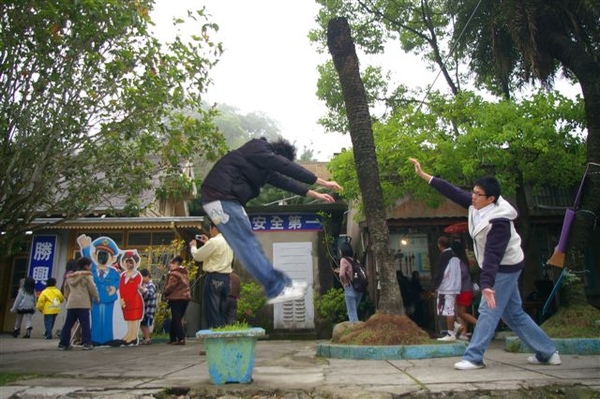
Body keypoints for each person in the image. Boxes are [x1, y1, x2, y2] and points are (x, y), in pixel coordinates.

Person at [409, 157, 561, 370]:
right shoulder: (476, 204)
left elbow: (493, 256)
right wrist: (423, 174)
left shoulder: (499, 221)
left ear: (490, 199)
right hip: (498, 266)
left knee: (488, 310)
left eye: (477, 194)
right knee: (513, 314)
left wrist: (487, 285)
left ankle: (474, 357)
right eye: (473, 192)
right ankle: (547, 351)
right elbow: (451, 191)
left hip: (505, 267)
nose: (472, 196)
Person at [200, 137, 342, 304]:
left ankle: (280, 286)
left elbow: (286, 182)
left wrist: (316, 194)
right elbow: (285, 166)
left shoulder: (262, 167)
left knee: (249, 243)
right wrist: (323, 181)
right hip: (220, 197)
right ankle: (277, 287)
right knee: (246, 243)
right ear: (277, 154)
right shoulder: (258, 148)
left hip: (225, 199)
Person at [190, 221, 234, 329]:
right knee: (223, 310)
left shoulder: (214, 242)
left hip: (214, 278)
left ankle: (215, 333)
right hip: (227, 279)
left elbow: (198, 256)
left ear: (214, 228)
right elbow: (217, 253)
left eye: (210, 229)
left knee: (212, 309)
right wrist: (207, 242)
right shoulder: (229, 242)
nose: (210, 232)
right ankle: (224, 332)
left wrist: (193, 247)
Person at [58, 257, 100, 350]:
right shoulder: (87, 276)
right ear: (86, 266)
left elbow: (66, 288)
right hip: (83, 303)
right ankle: (86, 343)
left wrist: (68, 297)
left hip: (71, 303)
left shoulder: (70, 276)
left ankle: (63, 343)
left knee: (68, 324)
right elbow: (92, 289)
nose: (90, 267)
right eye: (90, 265)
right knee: (85, 324)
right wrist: (97, 298)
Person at [431, 236, 462, 341]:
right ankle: (457, 325)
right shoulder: (455, 256)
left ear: (439, 245)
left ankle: (450, 333)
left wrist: (434, 287)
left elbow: (441, 273)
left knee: (448, 311)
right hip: (455, 286)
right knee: (453, 308)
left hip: (446, 287)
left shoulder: (444, 256)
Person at [451, 240, 478, 341]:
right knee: (461, 312)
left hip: (464, 290)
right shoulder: (463, 260)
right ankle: (464, 333)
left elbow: (462, 274)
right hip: (465, 290)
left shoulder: (460, 262)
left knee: (461, 313)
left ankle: (479, 324)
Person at [162, 256, 191, 345]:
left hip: (176, 297)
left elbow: (171, 286)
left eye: (172, 263)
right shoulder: (184, 273)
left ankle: (181, 338)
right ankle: (173, 338)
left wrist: (165, 292)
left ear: (176, 264)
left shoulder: (174, 274)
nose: (170, 265)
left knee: (176, 318)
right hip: (186, 297)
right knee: (177, 318)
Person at [118, 251, 144, 345]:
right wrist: (121, 300)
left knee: (134, 319)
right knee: (128, 319)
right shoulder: (123, 276)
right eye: (127, 262)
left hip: (134, 301)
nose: (129, 264)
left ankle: (133, 336)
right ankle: (129, 334)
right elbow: (121, 288)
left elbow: (133, 290)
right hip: (124, 301)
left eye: (131, 262)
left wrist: (125, 300)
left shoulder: (136, 276)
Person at [338, 242, 363, 322]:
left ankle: (355, 331)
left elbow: (341, 274)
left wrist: (344, 284)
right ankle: (357, 330)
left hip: (350, 287)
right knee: (354, 310)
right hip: (359, 288)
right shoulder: (356, 260)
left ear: (343, 251)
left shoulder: (344, 260)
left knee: (351, 313)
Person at [139, 268, 157, 345]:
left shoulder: (151, 285)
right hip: (144, 309)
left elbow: (149, 295)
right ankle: (146, 337)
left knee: (144, 324)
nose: (141, 280)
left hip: (148, 309)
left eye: (142, 277)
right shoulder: (145, 285)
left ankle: (147, 338)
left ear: (147, 276)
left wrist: (142, 289)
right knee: (142, 324)